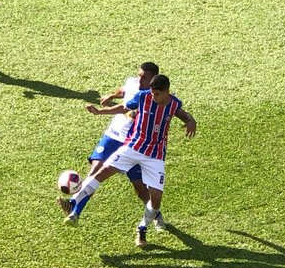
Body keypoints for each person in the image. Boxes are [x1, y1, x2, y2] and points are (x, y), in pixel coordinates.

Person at [65, 75, 197, 248]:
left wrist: (190, 120)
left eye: (157, 94)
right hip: (133, 147)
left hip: (155, 155)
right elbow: (123, 108)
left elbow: (182, 114)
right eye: (152, 92)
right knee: (101, 171)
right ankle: (73, 204)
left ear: (166, 92)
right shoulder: (143, 97)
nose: (153, 97)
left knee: (155, 200)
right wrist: (99, 112)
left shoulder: (173, 104)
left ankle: (142, 227)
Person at [56, 62, 167, 230]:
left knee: (140, 187)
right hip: (112, 135)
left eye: (144, 77)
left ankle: (156, 215)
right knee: (96, 170)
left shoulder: (151, 97)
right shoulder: (133, 82)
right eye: (139, 75)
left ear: (153, 79)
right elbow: (124, 90)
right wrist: (112, 95)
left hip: (131, 143)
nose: (140, 79)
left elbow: (125, 108)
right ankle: (75, 210)